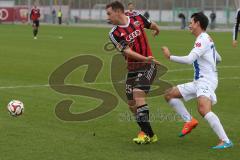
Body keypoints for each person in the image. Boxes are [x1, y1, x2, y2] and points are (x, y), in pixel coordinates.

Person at [161, 12, 233, 149]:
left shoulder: (203, 39)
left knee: (203, 108)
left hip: (206, 81)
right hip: (200, 81)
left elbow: (189, 59)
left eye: (191, 22)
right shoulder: (207, 38)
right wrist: (210, 66)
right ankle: (189, 121)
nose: (189, 25)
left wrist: (170, 57)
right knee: (169, 94)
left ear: (198, 23)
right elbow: (219, 58)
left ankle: (225, 140)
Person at [106, 1, 160, 144]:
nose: (107, 17)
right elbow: (127, 51)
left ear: (118, 12)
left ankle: (146, 134)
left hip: (148, 65)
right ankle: (149, 133)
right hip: (133, 68)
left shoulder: (137, 17)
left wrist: (157, 28)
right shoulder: (114, 33)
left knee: (138, 93)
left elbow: (149, 24)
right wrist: (145, 58)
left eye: (109, 13)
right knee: (131, 104)